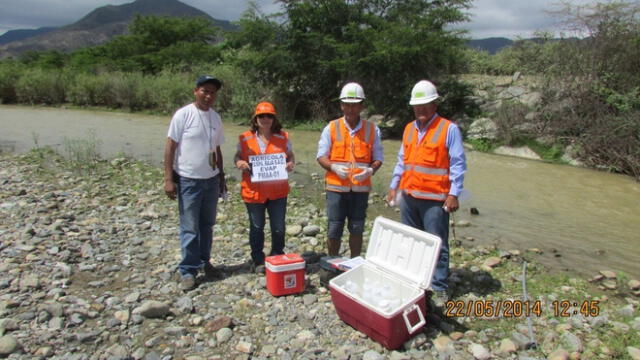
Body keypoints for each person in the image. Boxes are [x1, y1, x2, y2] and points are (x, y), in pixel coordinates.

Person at [386, 80, 467, 305]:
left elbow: (458, 164)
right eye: (416, 105)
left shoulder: (448, 129)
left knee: (437, 244)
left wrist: (454, 193)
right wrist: (394, 186)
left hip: (434, 199)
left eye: (425, 104)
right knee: (411, 241)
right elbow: (402, 160)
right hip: (410, 196)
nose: (420, 109)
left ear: (434, 103)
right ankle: (416, 281)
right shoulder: (409, 129)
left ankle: (439, 286)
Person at [164, 75, 227, 291]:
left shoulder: (216, 118)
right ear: (196, 91)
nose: (209, 95)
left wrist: (221, 177)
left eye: (213, 92)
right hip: (189, 180)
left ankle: (204, 261)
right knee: (189, 227)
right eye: (205, 91)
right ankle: (188, 270)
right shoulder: (183, 115)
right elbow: (170, 147)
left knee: (207, 225)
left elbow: (217, 149)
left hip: (210, 180)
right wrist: (168, 179)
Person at [317, 82, 383, 258]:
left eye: (354, 105)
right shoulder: (330, 127)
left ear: (362, 106)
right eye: (347, 104)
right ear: (341, 105)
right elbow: (321, 156)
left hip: (360, 190)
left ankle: (354, 262)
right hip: (336, 188)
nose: (350, 109)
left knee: (357, 226)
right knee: (334, 227)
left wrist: (371, 170)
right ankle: (332, 261)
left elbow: (378, 158)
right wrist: (333, 167)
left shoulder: (372, 129)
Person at [234, 102, 295, 271]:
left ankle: (277, 255)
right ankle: (258, 259)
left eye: (269, 116)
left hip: (278, 192)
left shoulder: (283, 137)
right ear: (255, 119)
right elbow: (237, 156)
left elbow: (290, 157)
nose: (265, 119)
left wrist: (290, 164)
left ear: (274, 119)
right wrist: (239, 162)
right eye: (261, 116)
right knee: (256, 227)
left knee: (278, 227)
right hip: (253, 192)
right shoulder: (244, 138)